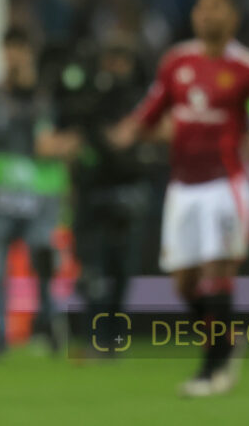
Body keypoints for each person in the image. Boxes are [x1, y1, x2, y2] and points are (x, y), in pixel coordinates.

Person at [109, 0, 249, 396]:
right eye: (201, 7)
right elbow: (153, 108)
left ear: (233, 17)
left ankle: (213, 368)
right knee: (184, 282)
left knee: (218, 272)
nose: (205, 14)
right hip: (182, 185)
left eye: (215, 7)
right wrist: (128, 131)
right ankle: (227, 340)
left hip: (225, 184)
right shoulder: (177, 61)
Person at [41, 32, 158, 353]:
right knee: (93, 270)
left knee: (121, 271)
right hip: (92, 192)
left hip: (128, 190)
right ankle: (94, 339)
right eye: (112, 59)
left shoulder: (142, 100)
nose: (116, 67)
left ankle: (114, 339)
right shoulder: (86, 98)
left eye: (122, 60)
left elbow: (159, 132)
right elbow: (65, 132)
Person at [0, 27, 68, 356]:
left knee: (43, 259)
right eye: (9, 48)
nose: (14, 56)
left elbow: (58, 142)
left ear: (30, 53)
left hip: (41, 195)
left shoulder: (48, 98)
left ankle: (47, 325)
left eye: (20, 48)